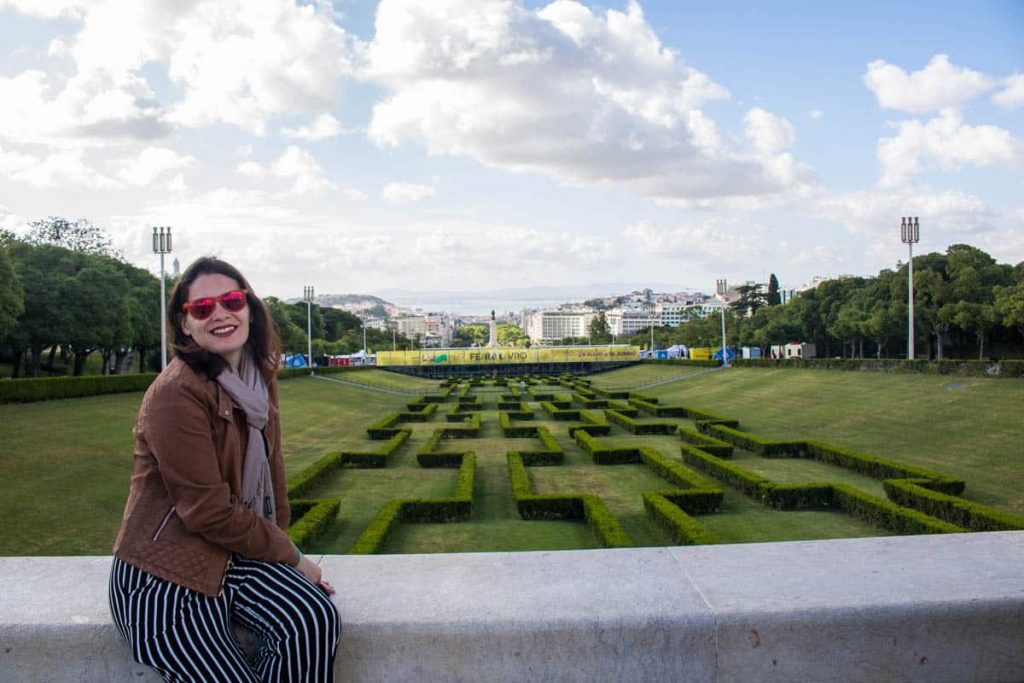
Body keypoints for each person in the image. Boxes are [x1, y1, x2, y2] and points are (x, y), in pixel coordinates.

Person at [109, 256, 340, 682]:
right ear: (185, 325)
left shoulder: (257, 379)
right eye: (202, 308)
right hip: (165, 574)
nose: (220, 313)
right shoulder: (175, 395)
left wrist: (283, 560)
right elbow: (206, 512)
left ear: (249, 307)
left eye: (232, 300)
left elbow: (273, 476)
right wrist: (291, 556)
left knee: (311, 618)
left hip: (232, 559)